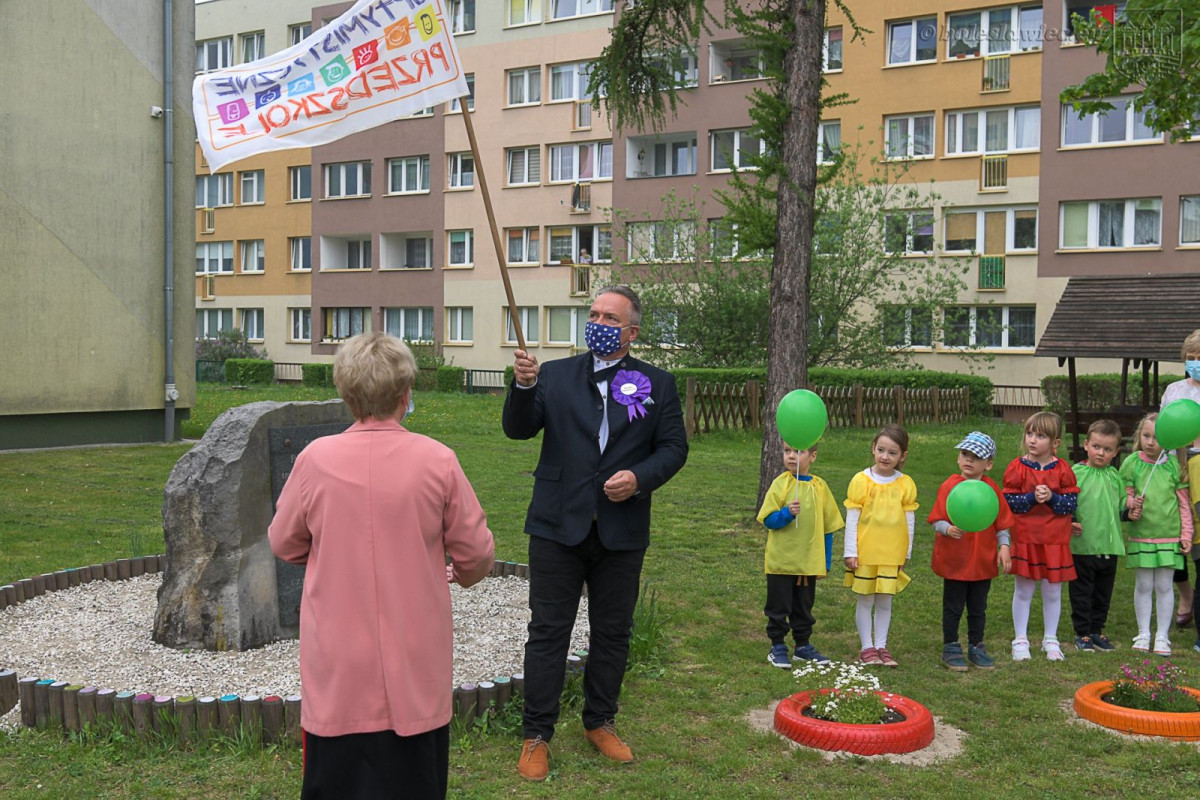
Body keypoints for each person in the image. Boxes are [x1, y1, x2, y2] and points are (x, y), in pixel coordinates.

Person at [268, 332, 496, 800]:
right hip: (414, 659)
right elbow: (475, 555)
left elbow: (284, 541)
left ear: (347, 396)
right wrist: (459, 571)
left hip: (339, 660)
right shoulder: (438, 460)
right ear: (406, 393)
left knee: (334, 782)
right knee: (417, 782)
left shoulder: (315, 460)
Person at [503, 285, 688, 782]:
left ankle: (600, 722)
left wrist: (640, 478)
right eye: (594, 313)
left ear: (632, 331)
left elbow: (673, 449)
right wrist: (522, 388)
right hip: (556, 524)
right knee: (547, 633)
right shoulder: (555, 376)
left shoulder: (658, 384)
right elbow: (519, 430)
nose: (599, 322)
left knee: (613, 632)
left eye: (610, 316)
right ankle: (536, 734)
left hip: (621, 529)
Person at [926, 431, 1014, 671]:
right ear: (958, 457)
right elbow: (935, 519)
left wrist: (1004, 547)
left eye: (976, 457)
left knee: (978, 607)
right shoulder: (950, 486)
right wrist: (947, 529)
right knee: (953, 606)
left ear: (988, 464)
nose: (969, 460)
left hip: (982, 561)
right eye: (965, 454)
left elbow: (1001, 523)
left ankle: (976, 645)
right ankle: (951, 646)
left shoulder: (991, 489)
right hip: (956, 561)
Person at [756, 443, 844, 668]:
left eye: (799, 451)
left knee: (804, 606)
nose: (792, 456)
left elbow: (828, 527)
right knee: (779, 605)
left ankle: (802, 646)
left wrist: (824, 561)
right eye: (787, 451)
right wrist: (786, 513)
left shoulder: (820, 487)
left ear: (813, 456)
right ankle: (777, 646)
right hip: (781, 561)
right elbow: (768, 520)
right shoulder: (781, 484)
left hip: (807, 562)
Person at [1003, 411, 1078, 662]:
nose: (1033, 440)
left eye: (1040, 436)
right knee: (1023, 589)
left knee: (1053, 591)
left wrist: (1053, 498)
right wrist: (1030, 498)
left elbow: (1070, 503)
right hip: (1026, 537)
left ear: (1055, 443)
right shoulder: (1017, 467)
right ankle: (1020, 639)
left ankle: (1051, 638)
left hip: (1055, 540)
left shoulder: (1064, 469)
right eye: (1029, 433)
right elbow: (1009, 502)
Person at [843, 424, 918, 668]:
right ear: (873, 449)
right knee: (866, 599)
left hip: (891, 553)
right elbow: (853, 518)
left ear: (903, 456)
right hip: (866, 552)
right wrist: (850, 551)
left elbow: (909, 520)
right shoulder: (861, 480)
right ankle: (867, 648)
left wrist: (905, 552)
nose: (885, 457)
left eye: (892, 453)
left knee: (885, 600)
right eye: (881, 450)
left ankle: (882, 646)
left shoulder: (905, 484)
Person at [1120, 413, 1193, 656]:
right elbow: (1123, 495)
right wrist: (1131, 503)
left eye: (1157, 437)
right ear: (1139, 436)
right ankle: (1143, 633)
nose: (1151, 441)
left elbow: (1183, 504)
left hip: (1168, 537)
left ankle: (1162, 635)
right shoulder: (1131, 463)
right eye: (1146, 435)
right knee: (1143, 585)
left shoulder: (1175, 466)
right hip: (1142, 536)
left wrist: (1186, 534)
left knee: (1163, 586)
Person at [1068, 420, 1126, 653]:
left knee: (1103, 593)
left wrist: (1131, 510)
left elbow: (1121, 508)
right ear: (1086, 445)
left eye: (1107, 449)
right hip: (1083, 546)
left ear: (1116, 452)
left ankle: (1096, 630)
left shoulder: (1115, 476)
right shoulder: (1075, 473)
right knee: (1082, 592)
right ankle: (1082, 633)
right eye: (1096, 446)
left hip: (1109, 546)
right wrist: (1071, 520)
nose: (1101, 453)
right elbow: (1066, 502)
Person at [1159, 329, 1200, 628]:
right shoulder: (1174, 390)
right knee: (1173, 537)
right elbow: (1164, 431)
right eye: (1191, 357)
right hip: (1176, 469)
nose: (1196, 362)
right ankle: (1185, 594)